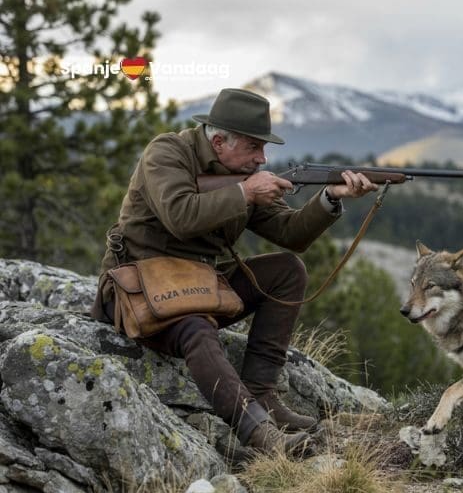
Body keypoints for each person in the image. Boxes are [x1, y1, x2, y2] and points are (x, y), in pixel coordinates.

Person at [90, 88, 379, 454]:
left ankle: (262, 393)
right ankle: (262, 436)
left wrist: (331, 197)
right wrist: (244, 193)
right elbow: (180, 217)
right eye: (254, 148)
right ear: (220, 141)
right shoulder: (166, 153)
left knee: (288, 270)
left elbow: (291, 235)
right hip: (139, 294)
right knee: (195, 327)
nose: (262, 159)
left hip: (198, 287)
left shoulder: (241, 175)